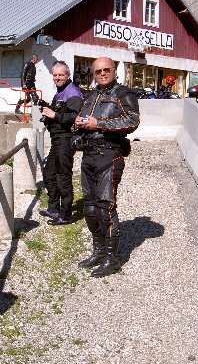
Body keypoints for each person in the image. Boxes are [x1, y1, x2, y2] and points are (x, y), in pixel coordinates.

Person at [75, 57, 140, 278]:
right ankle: (99, 252)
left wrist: (99, 123)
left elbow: (132, 121)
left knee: (105, 207)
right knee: (90, 208)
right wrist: (78, 126)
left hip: (110, 156)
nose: (102, 74)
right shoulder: (90, 95)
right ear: (93, 74)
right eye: (98, 71)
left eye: (106, 70)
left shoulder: (124, 94)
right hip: (88, 156)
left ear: (114, 71)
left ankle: (112, 260)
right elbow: (84, 122)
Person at [40, 61, 83, 224]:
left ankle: (65, 215)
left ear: (68, 75)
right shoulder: (60, 91)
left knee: (62, 176)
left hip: (66, 139)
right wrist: (47, 111)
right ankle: (53, 208)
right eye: (55, 75)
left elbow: (75, 117)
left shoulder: (72, 92)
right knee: (49, 173)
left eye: (61, 75)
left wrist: (54, 115)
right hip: (56, 139)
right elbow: (58, 113)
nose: (57, 78)